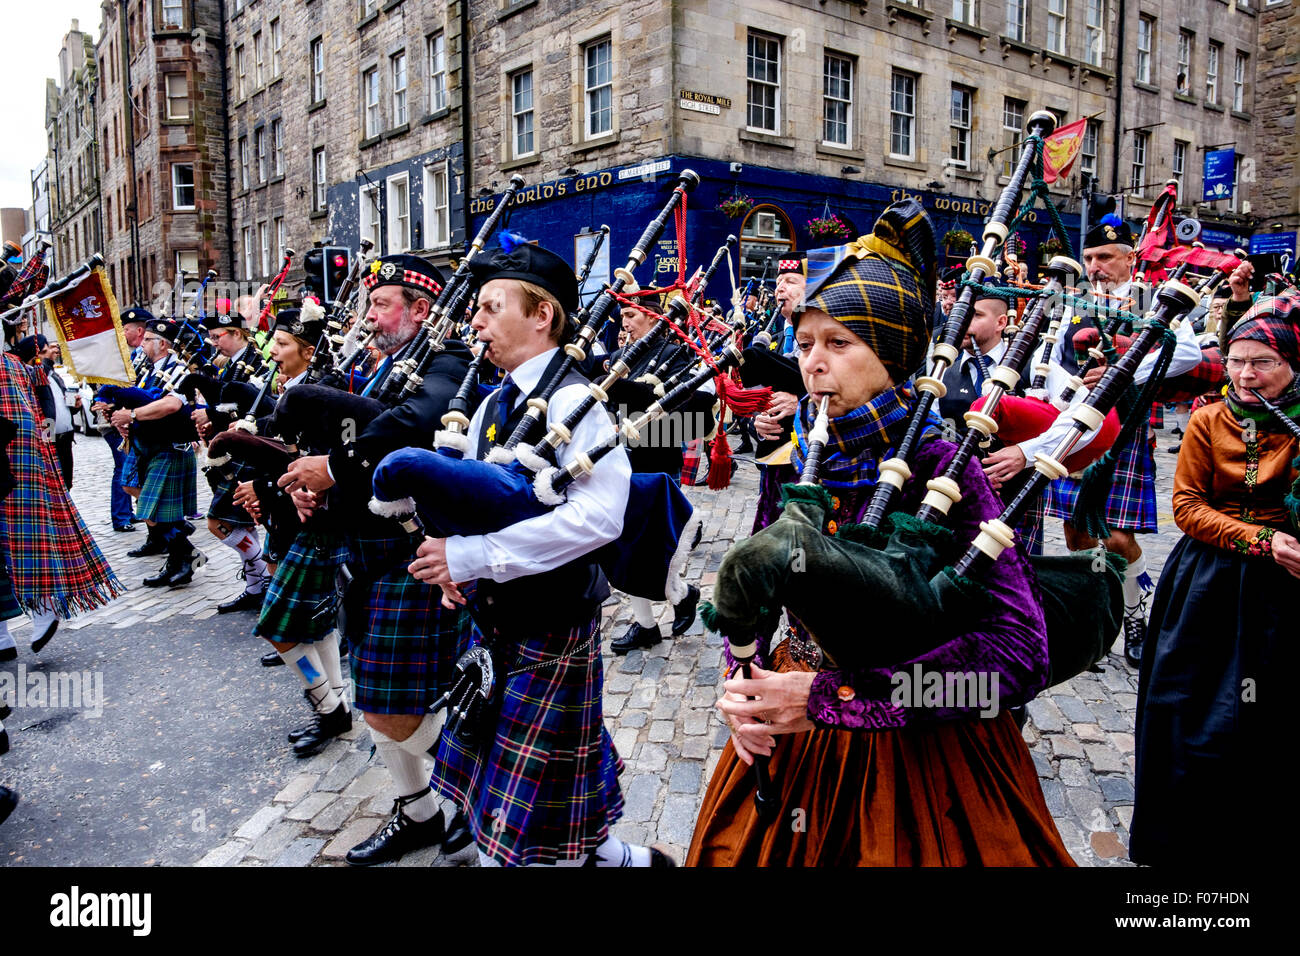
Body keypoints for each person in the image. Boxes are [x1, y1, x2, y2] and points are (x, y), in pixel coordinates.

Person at [687, 201, 1073, 866]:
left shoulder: (941, 469)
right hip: (792, 723)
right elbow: (757, 587)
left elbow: (1016, 658)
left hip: (920, 755)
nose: (813, 363)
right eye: (806, 344)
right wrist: (743, 677)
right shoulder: (802, 455)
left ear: (892, 356)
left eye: (839, 344)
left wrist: (832, 699)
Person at [408, 243, 669, 867]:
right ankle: (615, 858)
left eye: (491, 308)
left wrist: (473, 558)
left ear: (543, 315)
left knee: (528, 817)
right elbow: (472, 496)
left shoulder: (579, 402)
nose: (475, 322)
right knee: (545, 784)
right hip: (496, 618)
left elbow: (601, 520)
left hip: (552, 622)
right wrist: (455, 567)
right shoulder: (492, 404)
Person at [277, 254, 476, 864]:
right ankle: (420, 813)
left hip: (412, 555)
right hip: (360, 555)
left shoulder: (450, 363)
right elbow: (344, 443)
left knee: (389, 707)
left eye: (382, 304)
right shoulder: (370, 366)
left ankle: (479, 791)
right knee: (378, 701)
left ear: (422, 310)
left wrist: (335, 467)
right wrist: (316, 489)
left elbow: (416, 424)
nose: (369, 316)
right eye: (369, 304)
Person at [980, 216, 1202, 666]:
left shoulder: (1149, 299)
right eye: (1089, 258)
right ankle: (1096, 617)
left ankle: (1138, 611)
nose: (1095, 266)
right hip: (1075, 426)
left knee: (1118, 538)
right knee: (1077, 533)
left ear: (1129, 258)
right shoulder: (1074, 302)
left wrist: (1120, 375)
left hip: (1126, 428)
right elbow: (1054, 357)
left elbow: (1188, 352)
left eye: (1104, 257)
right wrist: (1063, 394)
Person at [1130, 293, 1300, 865]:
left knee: (1264, 708)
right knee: (1186, 704)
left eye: (1263, 363)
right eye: (1237, 360)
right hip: (1208, 581)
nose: (1247, 374)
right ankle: (1180, 841)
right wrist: (1261, 540)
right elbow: (1187, 506)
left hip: (1284, 591)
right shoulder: (1208, 420)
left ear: (1293, 367)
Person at [0, 345, 123, 662]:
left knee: (22, 532)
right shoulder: (14, 366)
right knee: (19, 534)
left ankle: (41, 607)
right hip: (22, 454)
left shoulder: (10, 368)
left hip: (14, 459)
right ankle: (9, 629)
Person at [603, 293, 707, 654]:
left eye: (630, 314)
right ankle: (651, 621)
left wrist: (620, 393)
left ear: (653, 316)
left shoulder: (677, 355)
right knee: (624, 548)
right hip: (621, 465)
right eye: (621, 316)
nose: (624, 323)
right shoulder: (618, 358)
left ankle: (679, 596)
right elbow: (613, 414)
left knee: (656, 546)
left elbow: (686, 416)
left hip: (658, 464)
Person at [108, 319, 204, 587]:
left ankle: (182, 558)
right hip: (150, 446)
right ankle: (182, 558)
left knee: (157, 510)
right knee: (155, 508)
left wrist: (133, 414)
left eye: (148, 339)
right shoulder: (147, 370)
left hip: (170, 447)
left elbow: (171, 405)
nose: (142, 343)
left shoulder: (179, 369)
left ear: (162, 343)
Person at [193, 310, 271, 613]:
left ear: (237, 333)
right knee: (243, 524)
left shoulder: (256, 363)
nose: (214, 344)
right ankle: (254, 588)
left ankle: (263, 575)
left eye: (218, 337)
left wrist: (212, 416)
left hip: (248, 450)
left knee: (218, 523)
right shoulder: (228, 366)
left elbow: (259, 408)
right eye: (211, 338)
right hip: (231, 451)